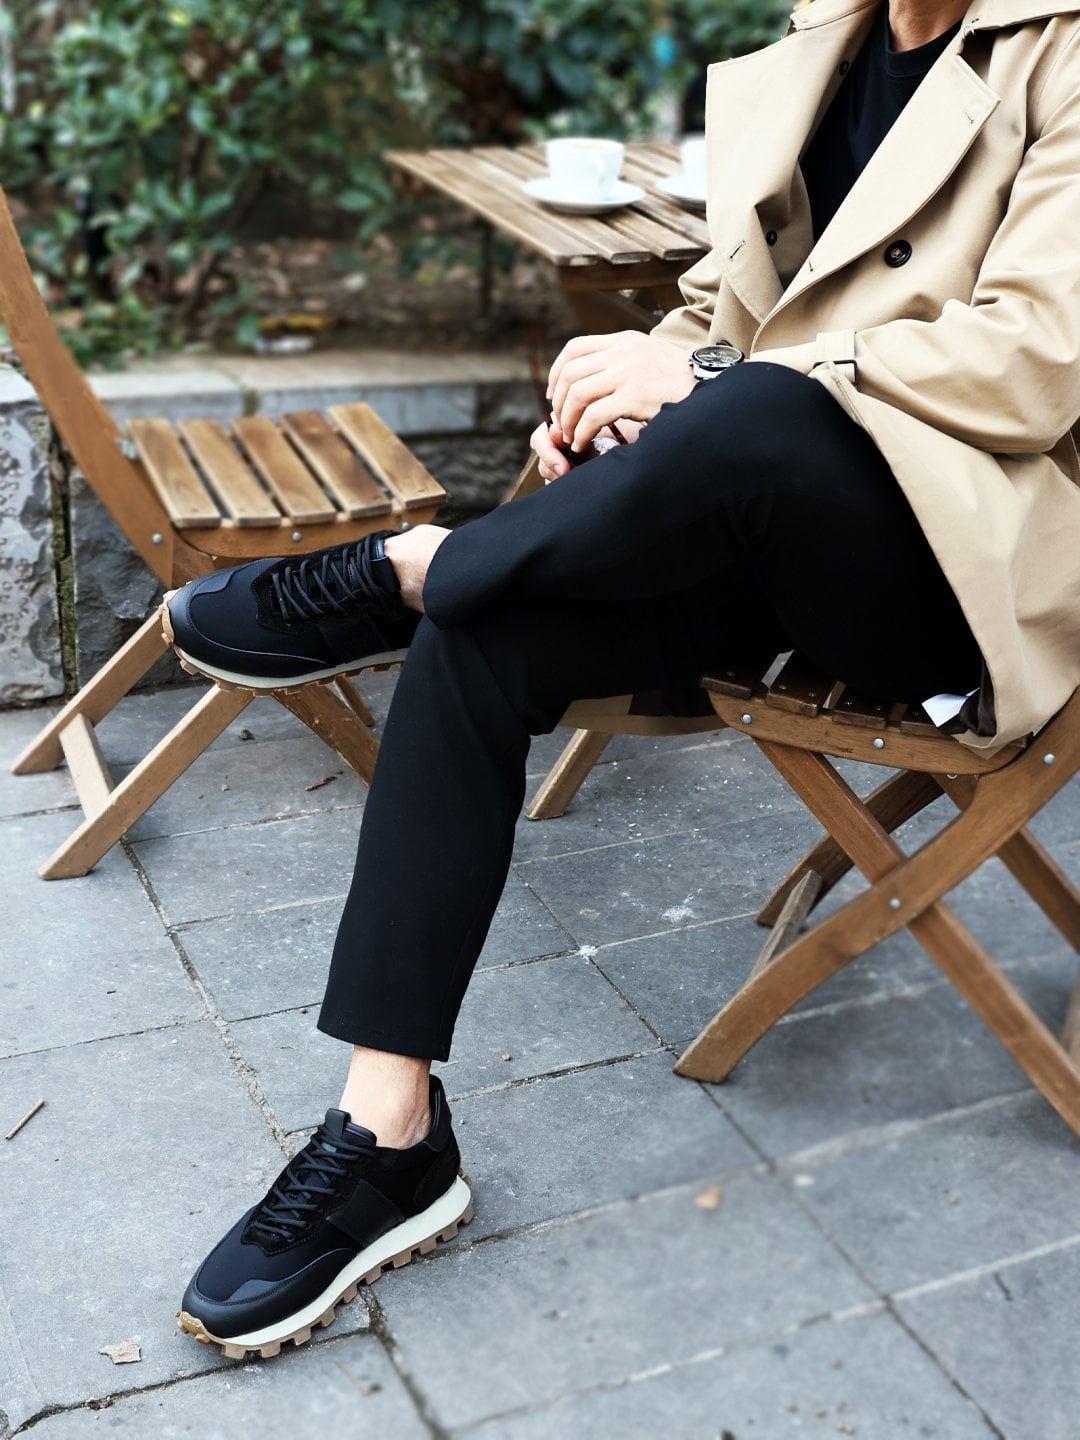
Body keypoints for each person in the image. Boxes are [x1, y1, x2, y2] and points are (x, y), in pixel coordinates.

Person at [168, 0, 1080, 1359]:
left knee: (754, 410)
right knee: (488, 636)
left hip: (945, 577)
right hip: (760, 529)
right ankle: (387, 1134)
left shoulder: (1063, 53)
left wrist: (703, 380)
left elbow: (1036, 360)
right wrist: (620, 401)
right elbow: (730, 303)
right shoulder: (829, 39)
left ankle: (411, 566)